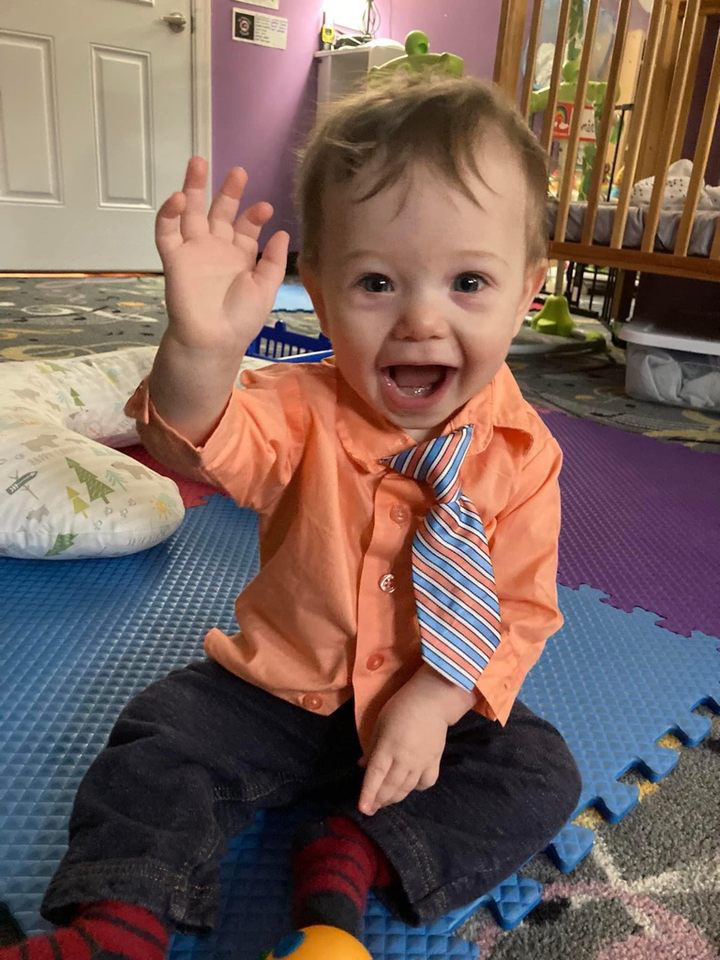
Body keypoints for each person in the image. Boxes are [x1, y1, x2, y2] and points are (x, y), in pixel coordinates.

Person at [2, 74, 581, 960]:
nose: (422, 321)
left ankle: (354, 850)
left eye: (469, 282)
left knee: (541, 772)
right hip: (275, 687)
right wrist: (201, 347)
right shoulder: (302, 405)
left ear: (528, 290)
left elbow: (523, 609)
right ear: (316, 286)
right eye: (378, 282)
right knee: (160, 739)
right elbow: (192, 440)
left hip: (432, 701)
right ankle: (118, 925)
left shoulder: (525, 454)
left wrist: (435, 697)